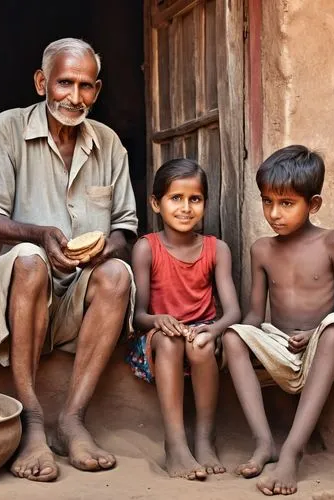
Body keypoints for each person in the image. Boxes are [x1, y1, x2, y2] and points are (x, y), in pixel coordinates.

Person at [0, 38, 138, 481]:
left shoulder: (109, 144)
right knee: (29, 259)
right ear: (42, 82)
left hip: (75, 296)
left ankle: (73, 419)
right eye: (64, 83)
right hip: (14, 290)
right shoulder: (5, 130)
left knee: (118, 274)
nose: (74, 97)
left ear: (96, 91)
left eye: (85, 86)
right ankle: (33, 421)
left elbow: (126, 228)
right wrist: (40, 236)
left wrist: (105, 249)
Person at [222, 145, 334, 495]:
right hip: (281, 343)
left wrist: (317, 330)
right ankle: (264, 442)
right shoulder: (261, 249)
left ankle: (290, 452)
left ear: (313, 204)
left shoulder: (333, 242)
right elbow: (256, 314)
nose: (274, 213)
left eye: (286, 203)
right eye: (267, 201)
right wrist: (241, 338)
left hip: (327, 344)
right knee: (232, 336)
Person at [126, 158, 241, 480]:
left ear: (205, 203)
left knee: (201, 345)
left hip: (200, 339)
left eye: (195, 199)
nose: (186, 208)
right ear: (156, 203)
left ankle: (205, 438)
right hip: (157, 342)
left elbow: (233, 312)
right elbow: (138, 315)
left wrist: (212, 329)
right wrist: (158, 319)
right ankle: (175, 443)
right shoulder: (146, 248)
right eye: (176, 198)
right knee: (172, 339)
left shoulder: (216, 249)